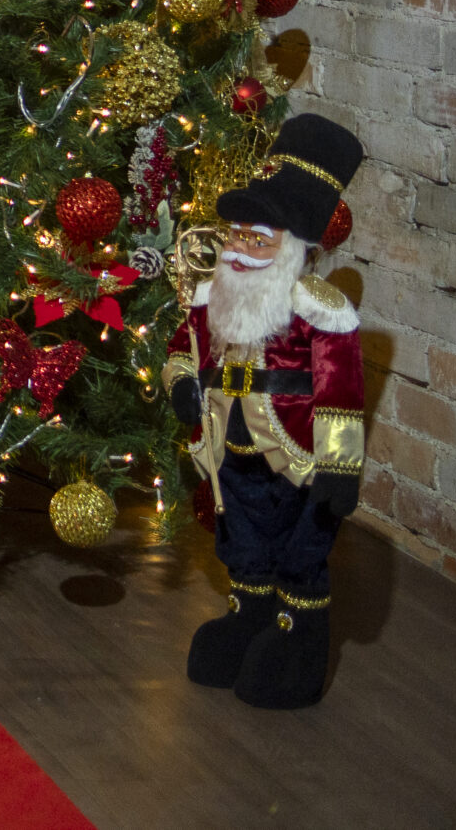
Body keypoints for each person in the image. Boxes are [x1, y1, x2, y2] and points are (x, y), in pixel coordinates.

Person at [162, 112, 366, 711]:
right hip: (229, 451)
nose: (241, 249)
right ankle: (248, 614)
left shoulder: (321, 310)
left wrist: (339, 468)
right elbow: (183, 350)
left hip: (297, 459)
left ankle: (297, 637)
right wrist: (182, 382)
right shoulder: (213, 295)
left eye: (259, 239)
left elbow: (340, 392)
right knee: (244, 545)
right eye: (237, 235)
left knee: (300, 550)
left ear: (293, 248)